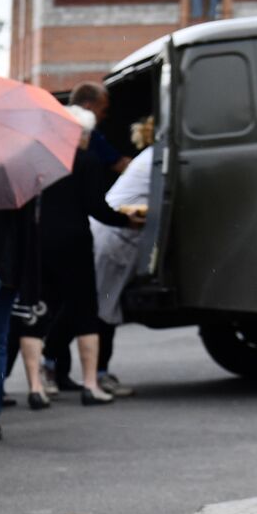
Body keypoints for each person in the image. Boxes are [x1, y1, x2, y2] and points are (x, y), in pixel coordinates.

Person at [18, 106, 140, 410]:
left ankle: (35, 387)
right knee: (85, 310)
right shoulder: (85, 161)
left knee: (38, 311)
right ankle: (90, 385)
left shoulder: (37, 162)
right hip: (75, 242)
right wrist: (128, 221)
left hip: (40, 244)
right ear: (78, 133)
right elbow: (97, 208)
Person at [91, 117, 156, 372]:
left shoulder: (148, 157)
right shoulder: (155, 160)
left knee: (105, 306)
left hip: (115, 237)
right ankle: (98, 373)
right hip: (115, 239)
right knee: (105, 308)